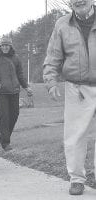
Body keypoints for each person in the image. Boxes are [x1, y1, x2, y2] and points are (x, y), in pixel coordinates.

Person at [43, 0, 96, 195]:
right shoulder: (62, 24)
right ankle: (76, 179)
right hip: (76, 87)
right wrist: (50, 81)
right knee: (74, 136)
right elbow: (53, 55)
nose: (79, 1)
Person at [0, 37, 32, 152]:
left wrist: (26, 87)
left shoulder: (16, 58)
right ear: (0, 46)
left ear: (10, 46)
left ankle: (3, 137)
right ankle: (5, 143)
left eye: (7, 45)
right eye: (3, 45)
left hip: (14, 91)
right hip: (2, 92)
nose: (5, 47)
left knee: (15, 114)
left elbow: (20, 74)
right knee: (5, 116)